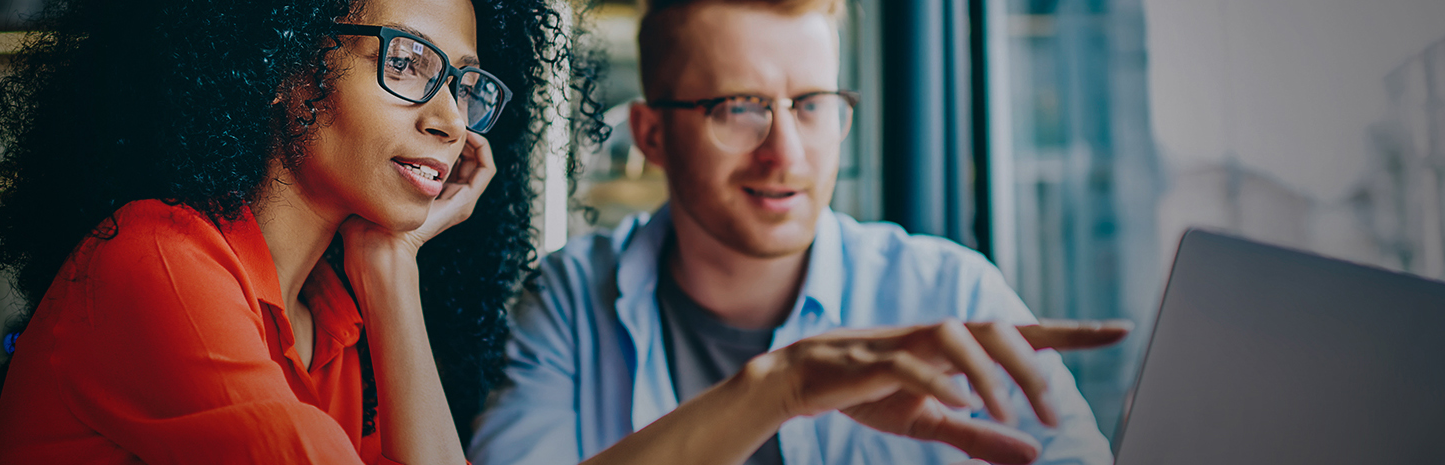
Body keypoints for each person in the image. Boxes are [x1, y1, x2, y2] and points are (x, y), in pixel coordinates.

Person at [467, 0, 1128, 464]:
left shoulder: (948, 290)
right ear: (652, 134)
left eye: (812, 105)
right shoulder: (571, 299)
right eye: (739, 109)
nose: (786, 153)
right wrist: (778, 389)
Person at [0, 0, 603, 462]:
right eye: (406, 62)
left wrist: (392, 267)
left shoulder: (334, 325)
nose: (451, 122)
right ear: (284, 67)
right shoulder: (155, 261)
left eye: (464, 86)